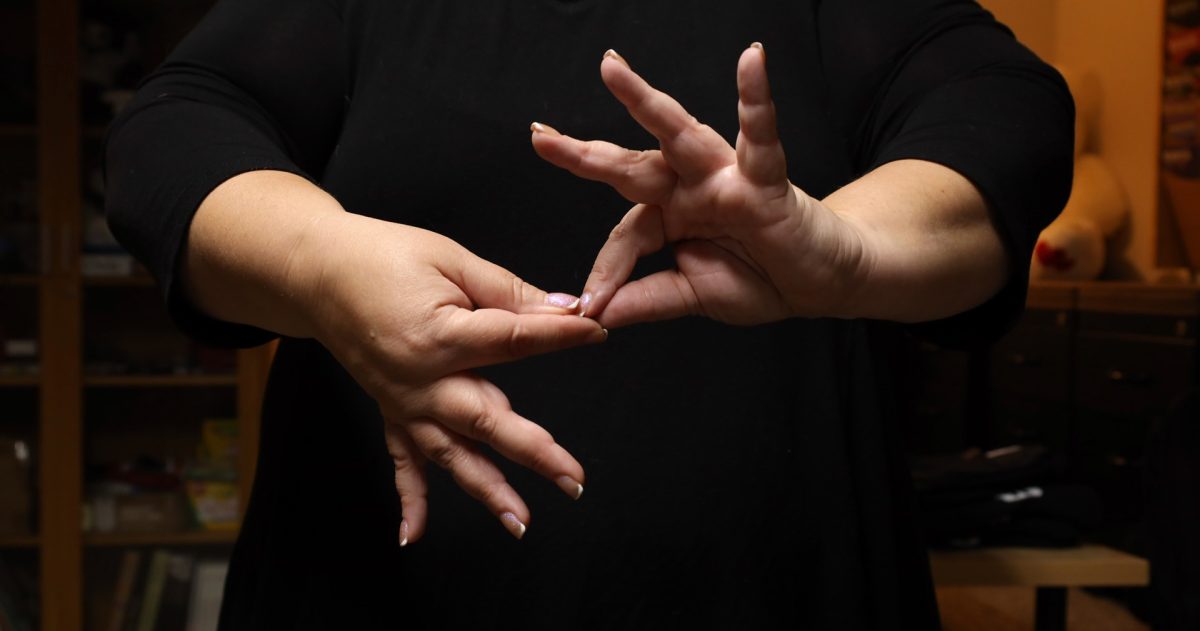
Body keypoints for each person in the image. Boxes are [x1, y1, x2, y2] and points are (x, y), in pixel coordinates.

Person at [104, 0, 1073, 628]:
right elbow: (173, 135)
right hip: (369, 599)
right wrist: (323, 265)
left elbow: (1006, 118)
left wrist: (844, 252)